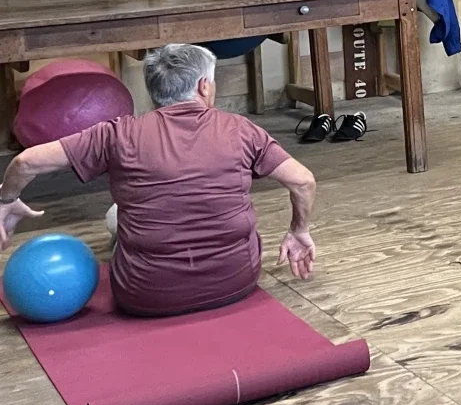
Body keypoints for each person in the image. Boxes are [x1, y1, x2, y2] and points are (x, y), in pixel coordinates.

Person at [0, 44, 318, 317]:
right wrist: (298, 231)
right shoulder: (241, 129)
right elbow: (303, 181)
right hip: (237, 283)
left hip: (146, 297)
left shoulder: (117, 134)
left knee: (115, 214)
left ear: (154, 91)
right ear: (204, 86)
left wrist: (6, 200)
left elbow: (26, 161)